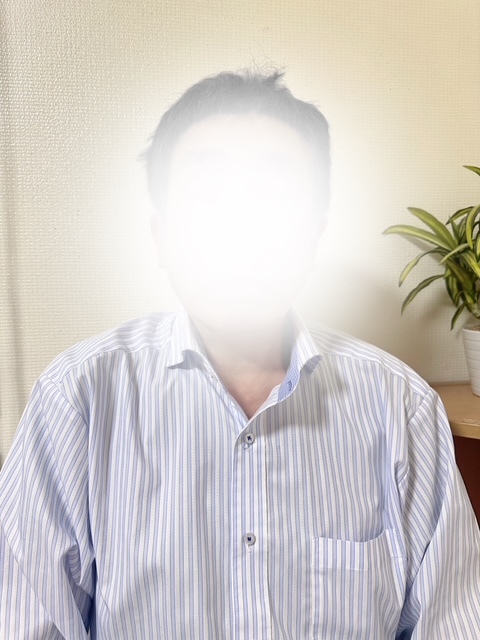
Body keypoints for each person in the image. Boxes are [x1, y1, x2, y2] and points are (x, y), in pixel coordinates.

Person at [0, 70, 479, 639]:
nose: (240, 223)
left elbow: (455, 620)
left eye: (274, 195)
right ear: (161, 235)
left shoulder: (401, 407)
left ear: (315, 232)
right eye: (207, 195)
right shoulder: (76, 400)